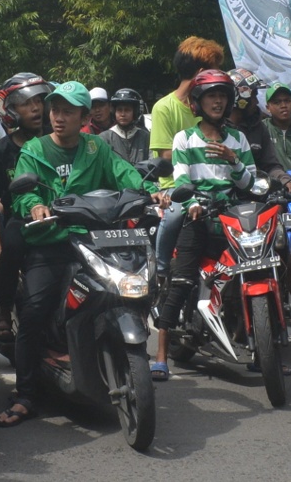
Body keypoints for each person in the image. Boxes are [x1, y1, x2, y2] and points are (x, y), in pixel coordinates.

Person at [0, 81, 166, 426]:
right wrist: (36, 206)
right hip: (52, 241)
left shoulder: (95, 148)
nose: (58, 117)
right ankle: (25, 394)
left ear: (84, 117)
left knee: (130, 286)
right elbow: (22, 194)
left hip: (95, 239)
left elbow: (125, 174)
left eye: (68, 112)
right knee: (35, 311)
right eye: (55, 110)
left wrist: (151, 192)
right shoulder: (36, 149)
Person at [154, 70, 257, 379]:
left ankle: (263, 346)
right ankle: (160, 356)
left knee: (251, 274)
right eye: (211, 95)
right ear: (198, 102)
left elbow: (250, 181)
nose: (218, 101)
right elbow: (182, 178)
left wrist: (233, 160)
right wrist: (193, 204)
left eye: (222, 96)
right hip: (196, 216)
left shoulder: (238, 139)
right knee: (181, 282)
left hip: (232, 218)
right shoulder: (184, 138)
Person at [0, 72, 52, 342]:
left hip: (63, 218)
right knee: (11, 248)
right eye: (26, 103)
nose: (35, 108)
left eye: (40, 101)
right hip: (22, 220)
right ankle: (3, 310)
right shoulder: (2, 150)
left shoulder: (59, 141)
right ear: (11, 110)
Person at [149, 35, 228, 177]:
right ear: (201, 73)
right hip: (176, 188)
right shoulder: (164, 107)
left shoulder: (212, 106)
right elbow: (166, 155)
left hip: (212, 183)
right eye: (214, 72)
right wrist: (219, 152)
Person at [102, 87, 149, 164]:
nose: (123, 114)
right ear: (114, 112)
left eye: (127, 110)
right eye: (119, 110)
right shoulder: (104, 138)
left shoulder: (146, 137)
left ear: (135, 112)